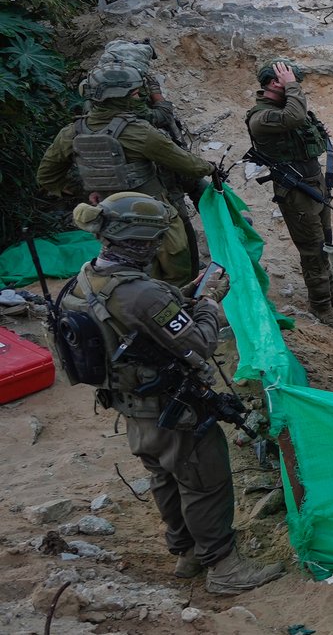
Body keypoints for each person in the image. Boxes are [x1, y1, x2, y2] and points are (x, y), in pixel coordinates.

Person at [62, 192, 284, 594]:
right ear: (144, 242)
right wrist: (209, 304)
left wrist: (182, 297)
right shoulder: (143, 293)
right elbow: (196, 343)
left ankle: (187, 553)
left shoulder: (87, 277)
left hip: (133, 409)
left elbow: (138, 322)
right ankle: (223, 567)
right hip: (173, 409)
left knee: (165, 479)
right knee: (204, 481)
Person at [37, 64, 214, 285]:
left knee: (124, 270)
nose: (139, 97)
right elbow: (191, 166)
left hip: (109, 216)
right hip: (154, 212)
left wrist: (89, 188)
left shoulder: (72, 132)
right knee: (178, 269)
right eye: (134, 93)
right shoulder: (138, 131)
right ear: (117, 97)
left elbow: (47, 176)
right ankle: (180, 312)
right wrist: (210, 168)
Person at [244, 58, 333, 328]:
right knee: (312, 248)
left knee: (326, 239)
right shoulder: (262, 117)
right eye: (289, 80)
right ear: (272, 83)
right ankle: (320, 305)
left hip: (314, 181)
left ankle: (330, 292)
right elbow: (295, 116)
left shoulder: (290, 107)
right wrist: (292, 88)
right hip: (295, 189)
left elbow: (306, 125)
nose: (295, 85)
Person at [95, 40, 203, 267]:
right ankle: (186, 272)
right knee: (176, 224)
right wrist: (157, 95)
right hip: (152, 172)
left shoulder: (100, 92)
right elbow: (159, 117)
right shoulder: (125, 98)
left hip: (124, 175)